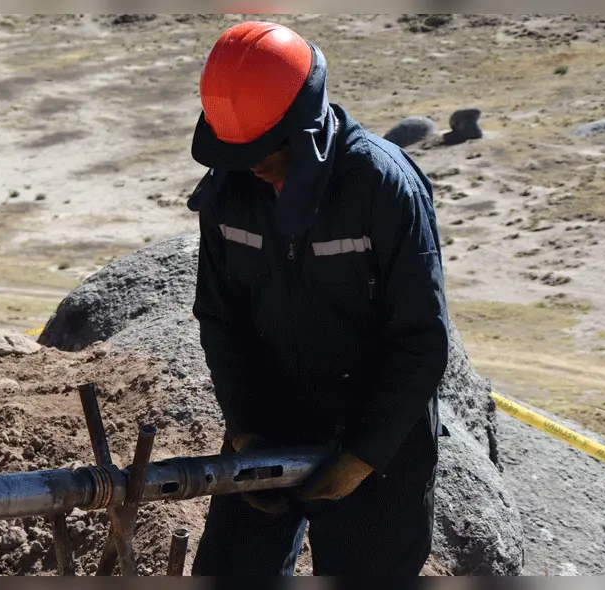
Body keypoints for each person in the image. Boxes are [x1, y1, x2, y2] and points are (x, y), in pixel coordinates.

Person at [186, 21, 451, 576]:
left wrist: (360, 459)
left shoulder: (382, 187)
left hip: (377, 448)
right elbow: (221, 319)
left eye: (265, 149)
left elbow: (421, 340)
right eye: (237, 151)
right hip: (268, 426)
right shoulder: (230, 189)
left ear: (305, 125)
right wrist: (246, 431)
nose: (250, 164)